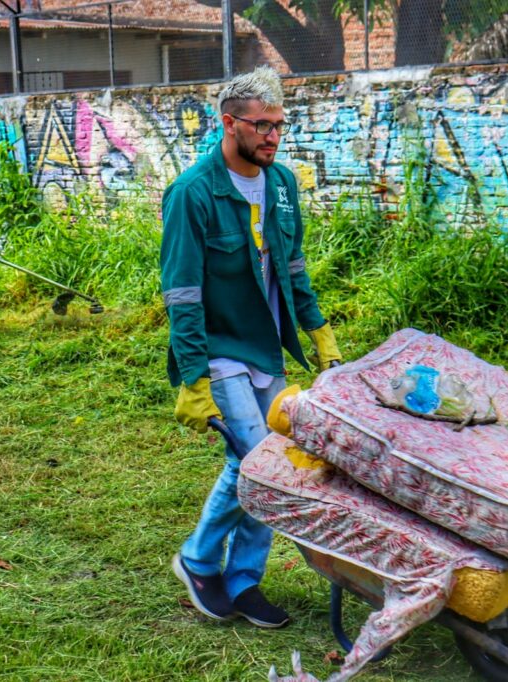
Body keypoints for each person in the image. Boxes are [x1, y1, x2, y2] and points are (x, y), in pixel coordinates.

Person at [160, 66, 342, 628]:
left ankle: (242, 580)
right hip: (217, 347)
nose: (271, 136)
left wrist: (321, 338)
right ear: (228, 123)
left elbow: (292, 267)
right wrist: (194, 380)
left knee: (273, 459)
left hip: (265, 346)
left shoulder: (282, 185)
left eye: (278, 126)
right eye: (260, 125)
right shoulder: (193, 192)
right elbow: (183, 293)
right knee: (258, 459)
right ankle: (196, 560)